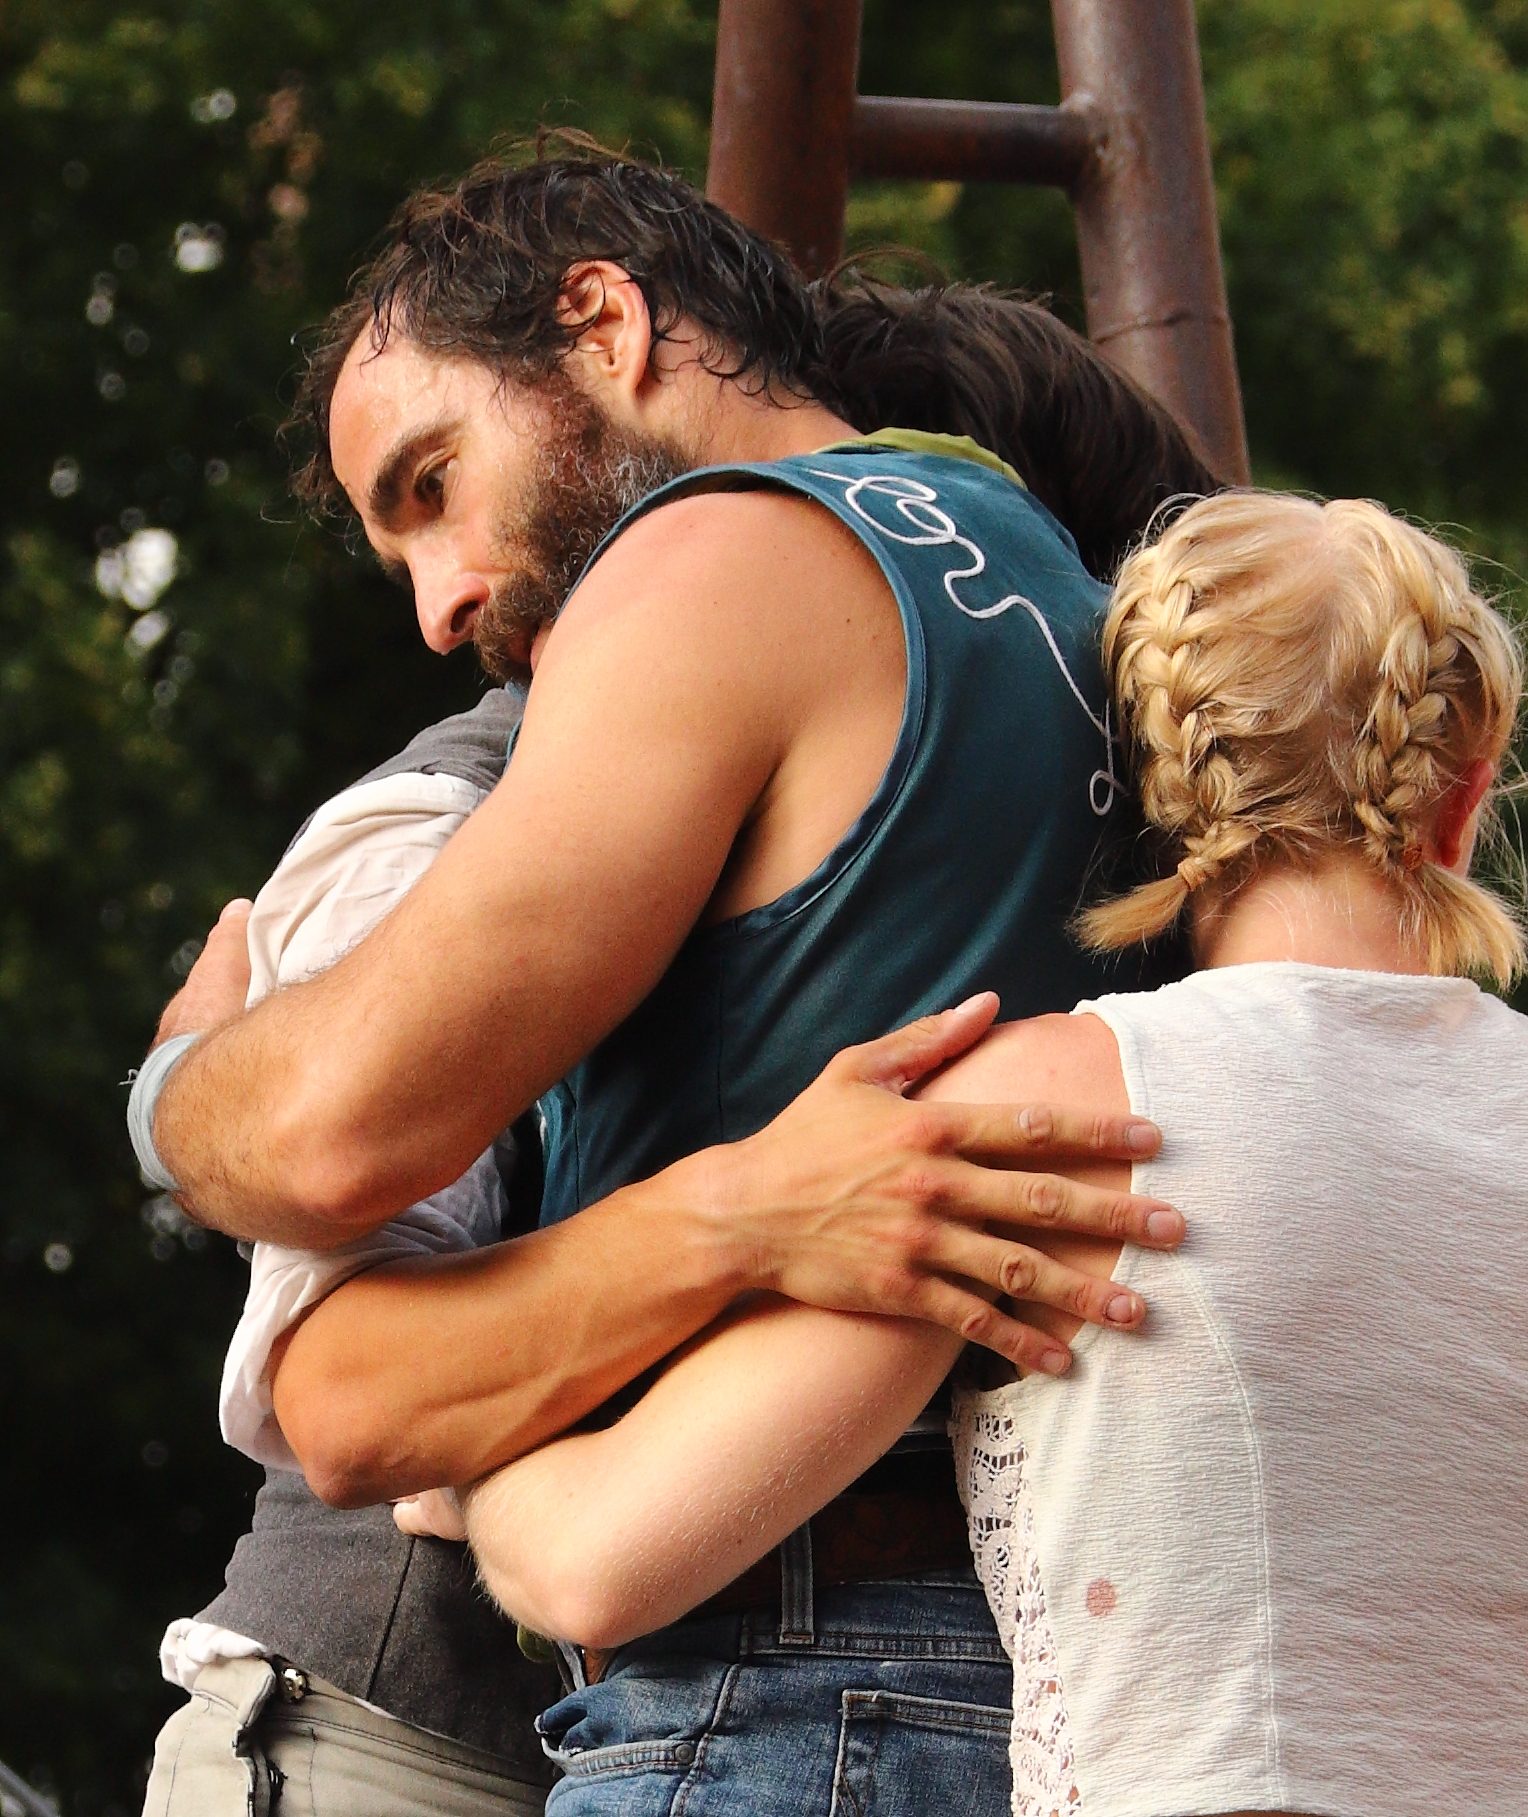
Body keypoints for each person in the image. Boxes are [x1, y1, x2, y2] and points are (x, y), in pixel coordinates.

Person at [132, 152, 1212, 1815]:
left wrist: (174, 1082)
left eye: (434, 483)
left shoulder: (715, 557)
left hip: (763, 1677)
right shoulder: (1075, 600)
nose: (440, 607)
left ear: (604, 321)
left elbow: (327, 1150)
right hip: (1051, 1658)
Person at [428, 493, 1528, 1817]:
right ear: (1466, 785)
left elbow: (598, 1565)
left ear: (1161, 786)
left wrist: (476, 1471)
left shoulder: (1067, 1105)